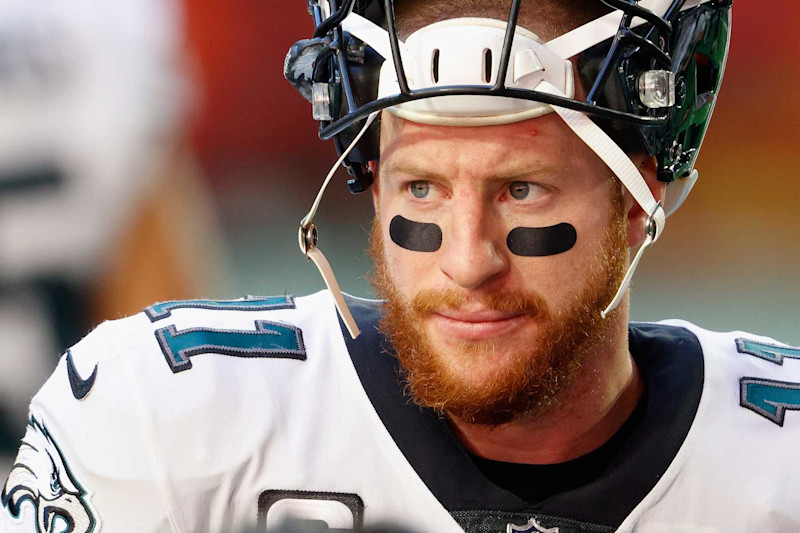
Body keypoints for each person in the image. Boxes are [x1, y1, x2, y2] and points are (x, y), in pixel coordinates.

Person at [2, 0, 799, 532]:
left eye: (521, 190)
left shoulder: (777, 467)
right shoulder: (170, 419)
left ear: (637, 198)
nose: (468, 259)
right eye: (423, 186)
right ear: (371, 180)